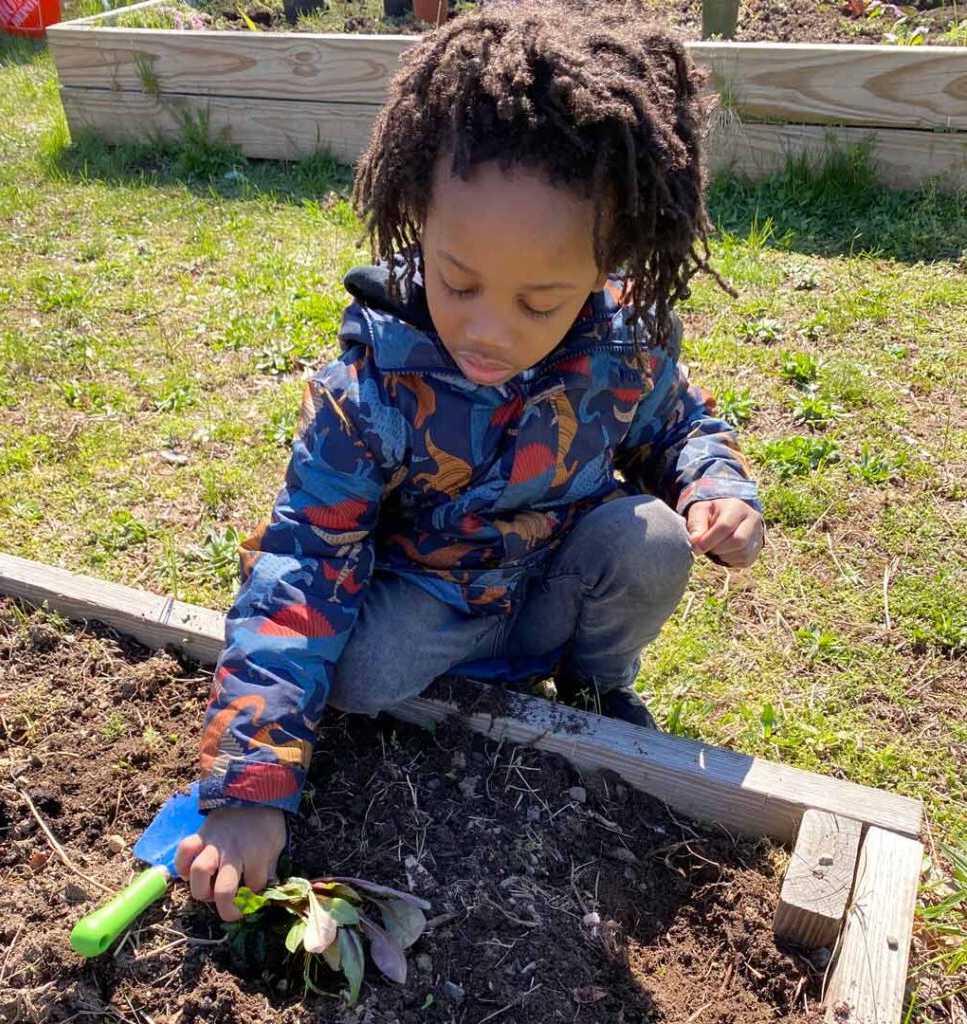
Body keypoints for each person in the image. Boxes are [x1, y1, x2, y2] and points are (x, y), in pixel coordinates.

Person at [174, 0, 765, 922]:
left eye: (542, 301)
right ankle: (486, 672)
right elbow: (302, 566)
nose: (490, 331)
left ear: (611, 262)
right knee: (363, 675)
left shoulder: (625, 345)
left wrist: (715, 486)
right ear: (416, 214)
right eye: (458, 283)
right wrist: (251, 786)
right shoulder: (367, 393)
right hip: (437, 600)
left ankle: (595, 685)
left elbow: (678, 425)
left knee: (651, 540)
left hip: (558, 576)